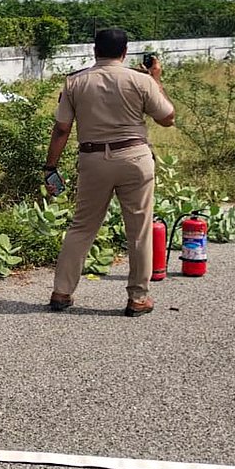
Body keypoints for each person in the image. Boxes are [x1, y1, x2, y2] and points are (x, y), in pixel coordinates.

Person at [44, 29, 176, 316]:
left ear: (94, 51)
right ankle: (138, 298)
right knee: (139, 230)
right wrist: (156, 80)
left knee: (82, 227)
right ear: (125, 52)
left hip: (92, 160)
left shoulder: (75, 82)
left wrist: (50, 166)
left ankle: (61, 292)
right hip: (134, 157)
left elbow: (62, 128)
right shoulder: (140, 81)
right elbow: (167, 118)